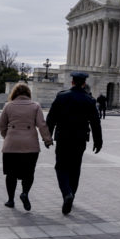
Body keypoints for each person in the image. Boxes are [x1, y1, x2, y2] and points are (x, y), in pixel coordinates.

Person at [46, 72, 102, 215]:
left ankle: (67, 194)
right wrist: (98, 141)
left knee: (60, 167)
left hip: (63, 137)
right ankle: (72, 195)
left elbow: (51, 118)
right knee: (75, 168)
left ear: (72, 82)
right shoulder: (89, 100)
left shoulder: (62, 96)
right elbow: (96, 122)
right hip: (80, 138)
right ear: (83, 83)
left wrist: (47, 136)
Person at [0, 82, 52, 211]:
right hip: (30, 146)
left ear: (14, 94)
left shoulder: (8, 106)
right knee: (29, 173)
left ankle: (10, 200)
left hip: (11, 144)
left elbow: (2, 125)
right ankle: (25, 193)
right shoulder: (35, 106)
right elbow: (42, 124)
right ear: (28, 94)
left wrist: (8, 136)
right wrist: (47, 140)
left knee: (10, 174)